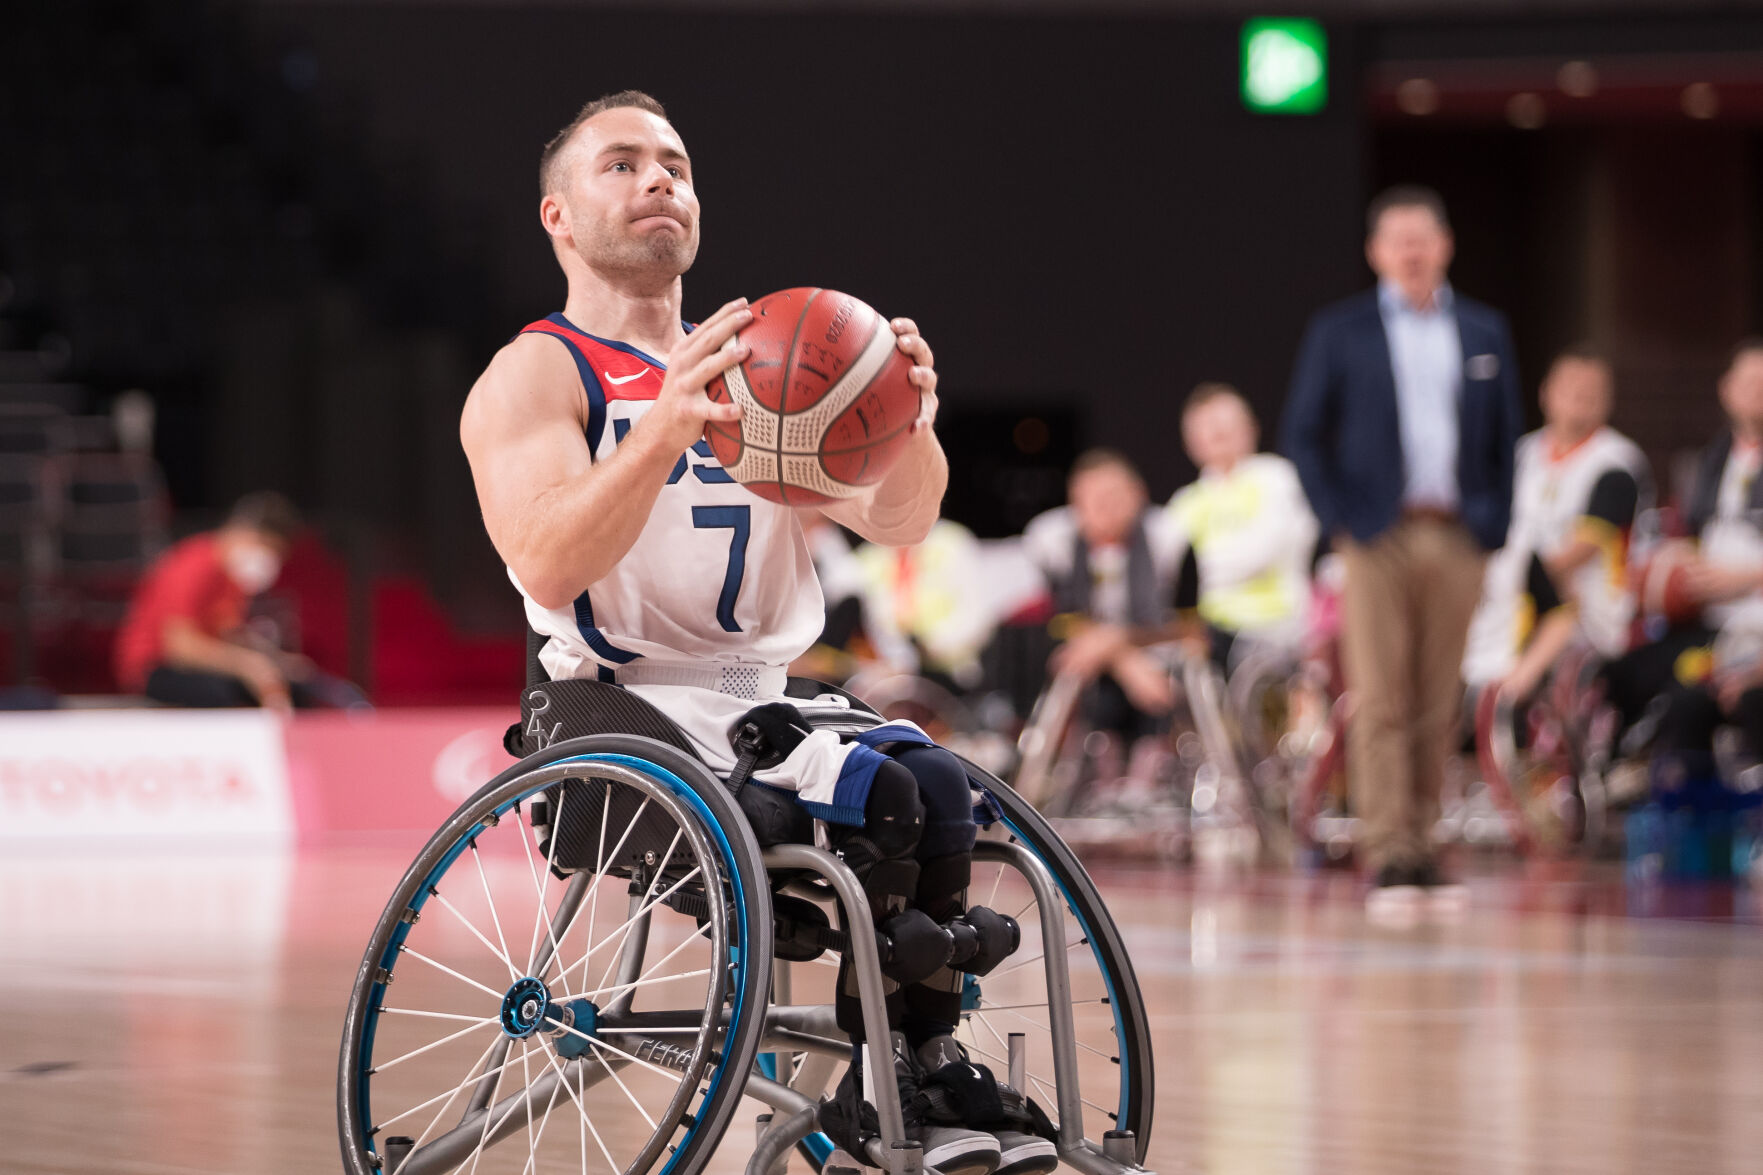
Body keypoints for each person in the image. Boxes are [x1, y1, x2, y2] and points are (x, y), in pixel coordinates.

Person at [458, 91, 1050, 1175]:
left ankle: (914, 1073)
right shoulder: (538, 369)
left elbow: (903, 517)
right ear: (557, 215)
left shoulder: (768, 360)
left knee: (941, 787)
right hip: (617, 703)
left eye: (674, 165)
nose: (656, 181)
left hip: (764, 697)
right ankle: (884, 1087)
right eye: (621, 164)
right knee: (871, 800)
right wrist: (663, 430)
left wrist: (905, 423)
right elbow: (544, 558)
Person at [1281, 184, 1523, 907]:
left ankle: (1423, 843)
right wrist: (1342, 518)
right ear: (1375, 252)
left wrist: (1494, 524)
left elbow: (1505, 435)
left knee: (1437, 698)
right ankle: (1386, 848)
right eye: (1398, 239)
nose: (1412, 251)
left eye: (1423, 237)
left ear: (1444, 244)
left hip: (1456, 533)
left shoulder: (1483, 330)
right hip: (1376, 534)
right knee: (1381, 694)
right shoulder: (1341, 329)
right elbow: (1301, 432)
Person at [1608, 341, 1763, 779]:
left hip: (1754, 624)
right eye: (1749, 381)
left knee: (1698, 694)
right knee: (1624, 672)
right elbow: (1681, 544)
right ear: (1726, 390)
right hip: (1706, 621)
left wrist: (1749, 577)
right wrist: (1665, 574)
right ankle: (1627, 776)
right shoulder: (1711, 463)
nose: (1757, 391)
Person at [1461, 347, 1649, 702]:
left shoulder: (1617, 462)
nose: (1580, 396)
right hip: (1517, 598)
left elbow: (1582, 550)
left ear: (1608, 400)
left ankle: (1506, 709)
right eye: (1571, 386)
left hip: (1584, 617)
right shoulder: (1522, 453)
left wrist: (1511, 578)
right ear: (1545, 393)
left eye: (1592, 390)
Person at [1022, 449, 1185, 790]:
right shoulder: (1052, 540)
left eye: (1113, 496)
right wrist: (1121, 657)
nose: (1102, 507)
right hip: (1086, 658)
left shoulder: (1169, 537)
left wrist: (1113, 645)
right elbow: (1054, 618)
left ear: (1138, 495)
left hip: (1158, 655)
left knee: (1161, 684)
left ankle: (1149, 782)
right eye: (1090, 498)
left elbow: (1190, 622)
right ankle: (1080, 782)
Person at [113, 491, 361, 710]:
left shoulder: (232, 578)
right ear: (244, 531)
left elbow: (227, 633)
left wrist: (277, 661)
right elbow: (180, 648)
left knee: (295, 689)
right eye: (268, 548)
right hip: (155, 667)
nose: (271, 560)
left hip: (204, 664)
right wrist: (247, 665)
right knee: (218, 693)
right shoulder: (192, 564)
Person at [1166, 383, 1318, 666]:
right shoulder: (1185, 502)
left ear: (1251, 428)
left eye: (1226, 423)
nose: (1217, 432)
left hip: (1278, 633)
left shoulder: (1278, 478)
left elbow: (1262, 552)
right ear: (1190, 442)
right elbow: (1168, 572)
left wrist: (1202, 568)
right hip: (1207, 638)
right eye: (1207, 425)